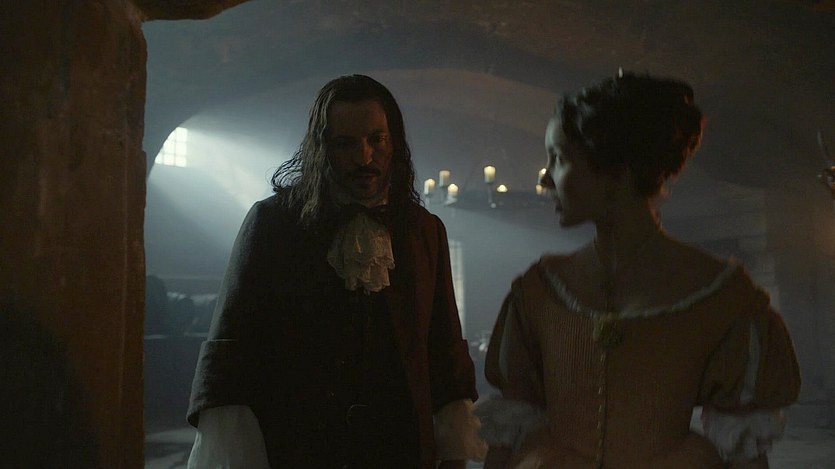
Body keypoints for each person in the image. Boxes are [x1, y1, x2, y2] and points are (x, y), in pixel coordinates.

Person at [476, 72, 801, 468]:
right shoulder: (540, 291)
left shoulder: (722, 296)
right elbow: (507, 435)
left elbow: (746, 453)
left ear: (616, 171)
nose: (545, 178)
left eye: (559, 158)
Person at [186, 74, 485, 468]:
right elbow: (233, 352)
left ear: (393, 143)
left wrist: (454, 453)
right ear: (322, 148)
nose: (364, 158)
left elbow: (443, 348)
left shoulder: (423, 231)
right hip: (300, 451)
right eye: (346, 143)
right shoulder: (272, 224)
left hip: (401, 451)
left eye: (376, 140)